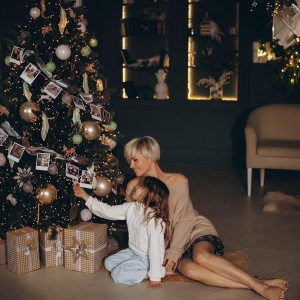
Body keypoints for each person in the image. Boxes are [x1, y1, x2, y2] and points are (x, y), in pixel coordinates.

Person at [123, 136, 288, 300]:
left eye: (135, 160)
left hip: (192, 228)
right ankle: (259, 282)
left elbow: (185, 218)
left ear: (150, 156)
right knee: (190, 270)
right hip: (166, 240)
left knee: (201, 257)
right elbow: (136, 222)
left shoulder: (177, 180)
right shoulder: (134, 186)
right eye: (129, 161)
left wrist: (174, 252)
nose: (131, 165)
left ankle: (260, 288)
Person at [73, 175, 170, 288]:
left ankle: (153, 272)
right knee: (108, 263)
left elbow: (155, 248)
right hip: (133, 251)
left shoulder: (154, 220)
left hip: (146, 257)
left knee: (117, 275)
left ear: (149, 194)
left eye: (140, 186)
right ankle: (142, 269)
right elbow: (108, 211)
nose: (136, 187)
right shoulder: (132, 207)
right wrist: (85, 196)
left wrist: (155, 277)